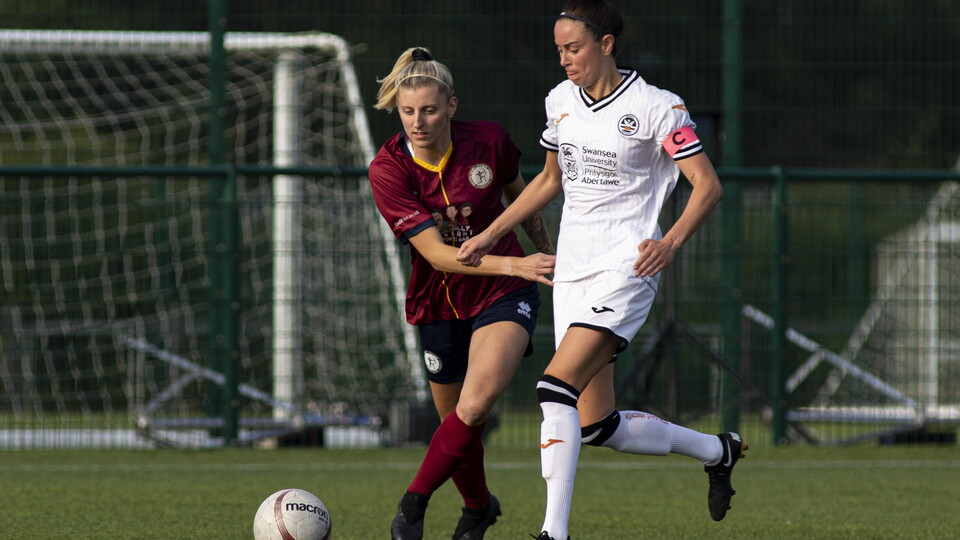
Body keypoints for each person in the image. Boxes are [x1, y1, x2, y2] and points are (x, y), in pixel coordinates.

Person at [457, 1, 746, 538]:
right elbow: (548, 181)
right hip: (574, 268)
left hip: (626, 268)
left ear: (605, 45)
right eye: (558, 50)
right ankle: (718, 450)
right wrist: (492, 233)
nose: (564, 60)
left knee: (552, 390)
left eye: (573, 48)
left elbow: (707, 186)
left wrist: (671, 241)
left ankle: (553, 532)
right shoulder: (560, 101)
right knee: (595, 424)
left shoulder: (659, 107)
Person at [368, 46, 556, 540]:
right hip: (438, 300)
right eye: (408, 112)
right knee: (456, 425)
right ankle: (477, 507)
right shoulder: (387, 169)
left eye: (429, 110)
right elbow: (436, 255)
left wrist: (548, 256)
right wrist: (516, 259)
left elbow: (524, 199)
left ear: (451, 105)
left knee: (474, 407)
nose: (418, 121)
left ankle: (412, 504)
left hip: (503, 291)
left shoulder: (490, 141)